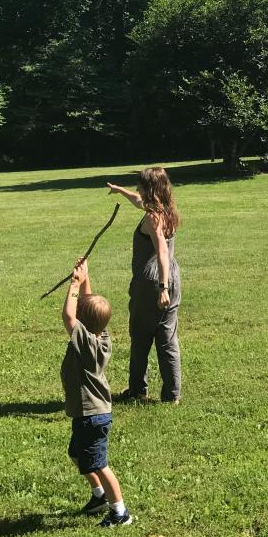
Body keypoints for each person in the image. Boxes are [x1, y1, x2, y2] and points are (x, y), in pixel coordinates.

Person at [60, 257, 132, 527]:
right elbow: (85, 308)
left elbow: (69, 315)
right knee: (78, 456)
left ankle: (120, 512)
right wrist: (86, 276)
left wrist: (75, 284)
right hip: (89, 414)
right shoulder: (99, 336)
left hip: (92, 415)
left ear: (83, 322)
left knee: (99, 464)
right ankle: (99, 496)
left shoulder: (85, 344)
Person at [106, 167, 181, 404]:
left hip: (152, 283)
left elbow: (160, 250)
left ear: (150, 189)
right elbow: (139, 201)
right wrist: (120, 191)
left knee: (140, 336)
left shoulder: (152, 218)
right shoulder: (166, 210)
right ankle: (172, 395)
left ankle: (138, 390)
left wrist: (162, 288)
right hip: (173, 277)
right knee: (167, 338)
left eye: (140, 185)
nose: (137, 189)